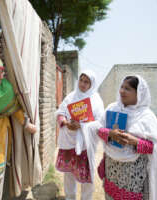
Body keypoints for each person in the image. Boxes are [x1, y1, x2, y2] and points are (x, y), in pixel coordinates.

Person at [96, 75, 157, 200]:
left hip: (133, 178)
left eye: (127, 88)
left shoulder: (147, 116)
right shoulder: (112, 108)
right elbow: (98, 129)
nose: (121, 91)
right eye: (121, 87)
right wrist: (110, 134)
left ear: (139, 93)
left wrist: (135, 141)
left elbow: (155, 149)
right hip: (112, 172)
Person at [0, 53, 37, 200]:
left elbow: (15, 109)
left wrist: (26, 124)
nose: (1, 76)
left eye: (2, 72)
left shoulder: (5, 89)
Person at [55, 70, 104, 200]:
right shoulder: (71, 97)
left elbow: (100, 123)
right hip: (69, 140)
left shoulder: (96, 100)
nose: (82, 84)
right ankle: (69, 197)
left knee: (87, 175)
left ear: (91, 84)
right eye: (81, 80)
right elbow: (60, 113)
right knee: (69, 173)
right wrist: (66, 123)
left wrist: (83, 126)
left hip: (86, 144)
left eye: (86, 81)